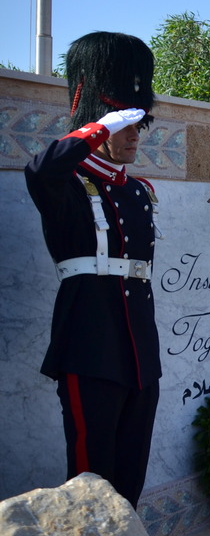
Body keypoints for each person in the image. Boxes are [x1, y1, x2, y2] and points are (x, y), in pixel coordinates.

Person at [24, 31, 161, 506]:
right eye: (123, 126)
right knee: (91, 478)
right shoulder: (66, 185)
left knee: (131, 473)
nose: (133, 135)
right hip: (90, 346)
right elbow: (40, 170)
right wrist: (98, 126)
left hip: (140, 351)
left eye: (137, 124)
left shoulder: (138, 191)